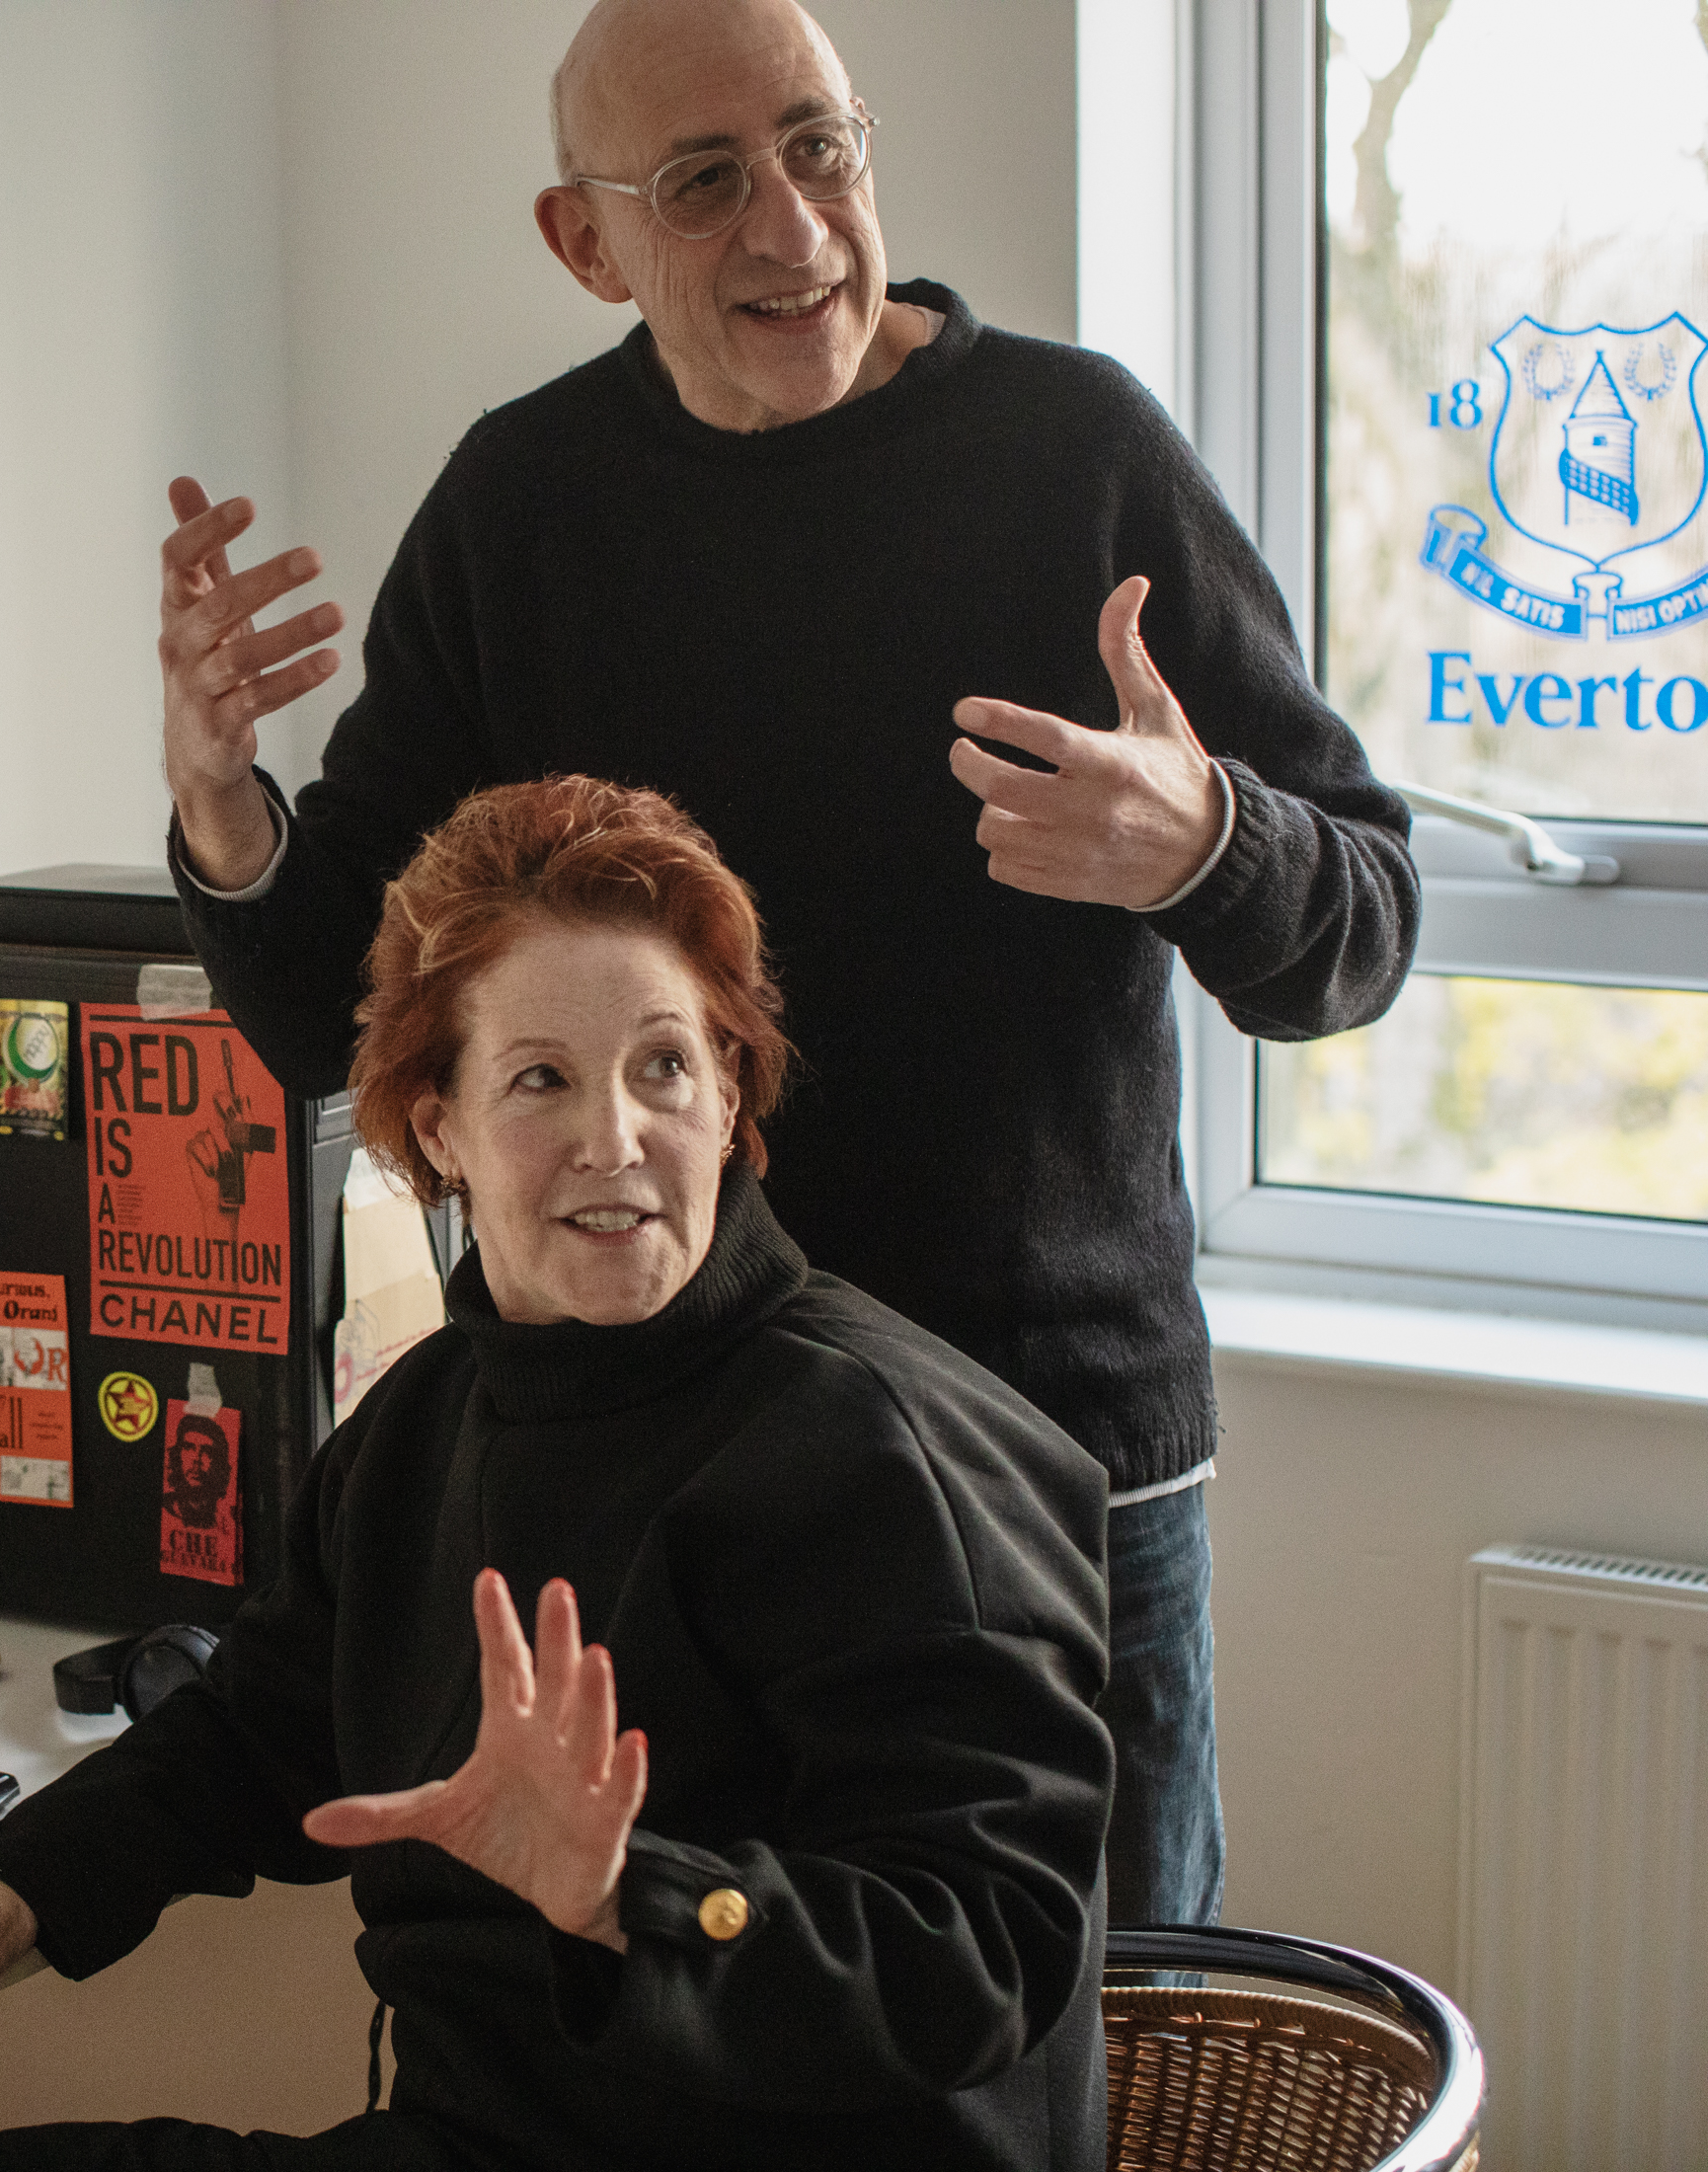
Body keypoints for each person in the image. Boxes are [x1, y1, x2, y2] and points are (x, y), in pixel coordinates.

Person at [152, 0, 1419, 1929]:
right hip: (656, 1478)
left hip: (1054, 1468)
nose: (792, 228)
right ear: (584, 243)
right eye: (703, 182)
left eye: (818, 146)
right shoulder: (521, 507)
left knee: (1085, 2062)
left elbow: (1357, 939)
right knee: (699, 2051)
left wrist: (1206, 842)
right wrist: (225, 807)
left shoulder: (1076, 456)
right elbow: (343, 1010)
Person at [0, 777, 1113, 2172]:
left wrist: (621, 1894)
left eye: (663, 1067)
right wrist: (16, 1879)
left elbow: (981, 1954)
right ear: (436, 1131)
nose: (614, 1138)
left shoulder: (889, 1453)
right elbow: (260, 1722)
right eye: (540, 1080)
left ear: (729, 1092)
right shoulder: (425, 1419)